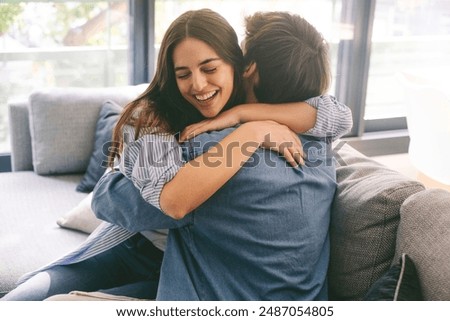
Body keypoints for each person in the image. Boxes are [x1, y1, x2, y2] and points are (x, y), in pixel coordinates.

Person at [1, 9, 350, 301]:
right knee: (27, 299)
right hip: (138, 247)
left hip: (186, 266)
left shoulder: (281, 126)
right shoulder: (155, 118)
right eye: (184, 73)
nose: (198, 84)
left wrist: (244, 119)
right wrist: (251, 131)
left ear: (242, 66)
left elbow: (338, 113)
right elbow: (113, 200)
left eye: (210, 68)